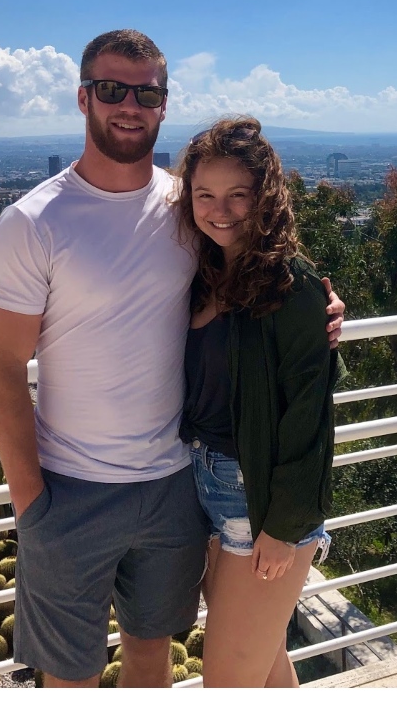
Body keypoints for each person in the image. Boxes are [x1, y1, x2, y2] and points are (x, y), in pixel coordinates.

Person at [0, 30, 342, 688]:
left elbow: (258, 262)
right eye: (112, 89)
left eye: (146, 92)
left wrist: (320, 299)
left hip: (177, 485)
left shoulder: (184, 204)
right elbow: (1, 365)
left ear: (164, 104)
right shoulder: (33, 222)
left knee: (157, 658)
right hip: (70, 490)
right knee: (70, 678)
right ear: (83, 96)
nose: (129, 104)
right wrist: (30, 500)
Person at [171, 117, 339, 687]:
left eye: (238, 194)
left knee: (226, 683)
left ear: (264, 197)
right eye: (205, 194)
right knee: (263, 664)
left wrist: (284, 527)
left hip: (259, 501)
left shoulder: (289, 287)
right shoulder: (201, 273)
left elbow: (309, 415)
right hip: (206, 485)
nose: (221, 209)